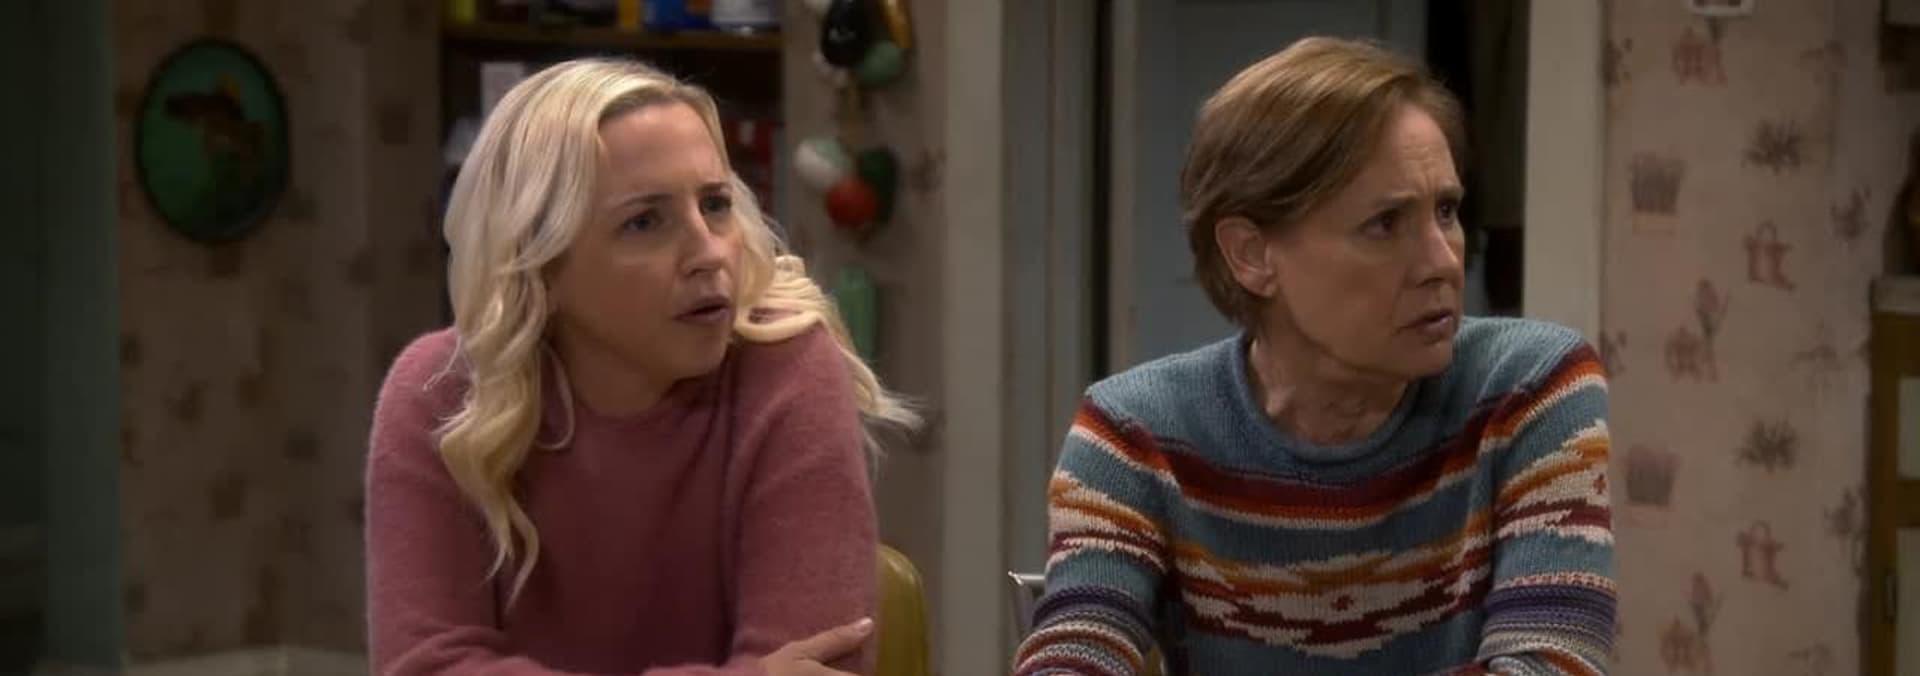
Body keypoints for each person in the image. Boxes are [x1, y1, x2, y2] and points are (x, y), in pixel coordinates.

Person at [1012, 37, 1614, 675]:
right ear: (1251, 255)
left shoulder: (1532, 388)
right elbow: (1074, 656)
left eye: (1446, 211)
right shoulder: (1135, 432)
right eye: (1386, 224)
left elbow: (1555, 663)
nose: (1443, 261)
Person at [365, 58, 917, 676]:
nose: (709, 252)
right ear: (538, 267)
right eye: (645, 221)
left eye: (715, 205)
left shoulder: (787, 368)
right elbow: (424, 666)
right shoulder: (439, 394)